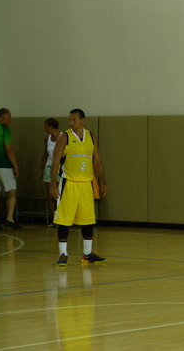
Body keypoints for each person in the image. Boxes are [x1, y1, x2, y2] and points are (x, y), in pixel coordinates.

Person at [49, 109, 108, 266]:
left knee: (87, 218)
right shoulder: (64, 137)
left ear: (83, 120)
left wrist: (102, 181)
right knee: (64, 219)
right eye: (69, 120)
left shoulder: (91, 136)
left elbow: (97, 161)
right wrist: (53, 184)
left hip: (86, 183)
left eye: (74, 120)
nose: (71, 123)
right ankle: (63, 254)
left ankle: (87, 253)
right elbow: (55, 162)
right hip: (69, 183)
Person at [0, 108, 22, 231]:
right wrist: (15, 166)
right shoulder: (5, 130)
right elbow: (9, 150)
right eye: (9, 118)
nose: (10, 120)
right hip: (4, 165)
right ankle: (9, 218)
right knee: (12, 191)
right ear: (2, 118)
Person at [37, 118, 61, 227]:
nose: (45, 129)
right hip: (49, 166)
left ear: (51, 127)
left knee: (59, 194)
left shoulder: (63, 137)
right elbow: (45, 154)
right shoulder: (47, 138)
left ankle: (62, 219)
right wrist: (41, 168)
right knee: (50, 195)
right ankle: (54, 219)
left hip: (60, 167)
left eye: (46, 127)